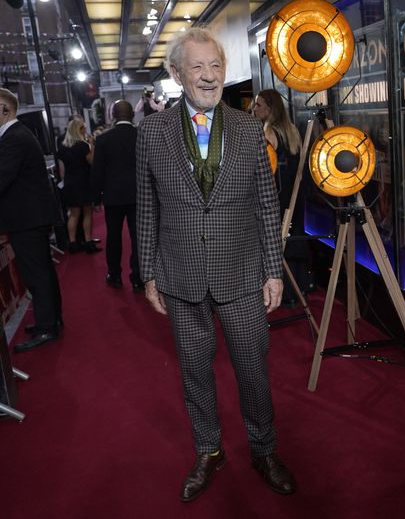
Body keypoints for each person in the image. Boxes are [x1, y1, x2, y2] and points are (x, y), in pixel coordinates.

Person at [136, 28, 295, 502]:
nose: (209, 77)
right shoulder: (151, 132)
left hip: (243, 273)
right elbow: (147, 206)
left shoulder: (250, 130)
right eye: (198, 68)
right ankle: (208, 450)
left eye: (216, 67)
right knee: (194, 371)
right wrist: (149, 272)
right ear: (176, 74)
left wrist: (272, 269)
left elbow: (268, 206)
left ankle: (264, 449)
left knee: (253, 369)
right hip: (180, 275)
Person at [0, 88, 64, 352]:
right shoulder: (16, 135)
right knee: (42, 272)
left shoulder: (14, 137)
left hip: (27, 219)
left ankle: (47, 326)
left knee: (37, 274)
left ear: (5, 109)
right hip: (30, 217)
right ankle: (50, 321)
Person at [252, 88, 309, 305]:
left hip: (276, 197)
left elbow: (265, 172)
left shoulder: (268, 133)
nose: (254, 109)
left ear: (270, 108)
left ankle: (284, 294)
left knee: (276, 244)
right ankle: (300, 289)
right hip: (294, 195)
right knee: (295, 238)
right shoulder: (292, 130)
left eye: (258, 105)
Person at [91, 100, 143, 291]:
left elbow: (98, 171)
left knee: (113, 237)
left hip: (113, 195)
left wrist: (96, 198)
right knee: (139, 238)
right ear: (132, 115)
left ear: (113, 115)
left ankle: (114, 275)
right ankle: (138, 278)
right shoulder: (141, 136)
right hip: (139, 195)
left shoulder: (104, 139)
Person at [59, 118, 101, 253]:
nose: (86, 130)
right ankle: (88, 242)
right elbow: (93, 162)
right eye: (83, 128)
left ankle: (72, 243)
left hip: (70, 182)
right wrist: (92, 145)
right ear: (79, 130)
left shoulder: (63, 147)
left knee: (73, 214)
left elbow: (62, 170)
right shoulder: (83, 146)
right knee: (87, 213)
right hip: (83, 182)